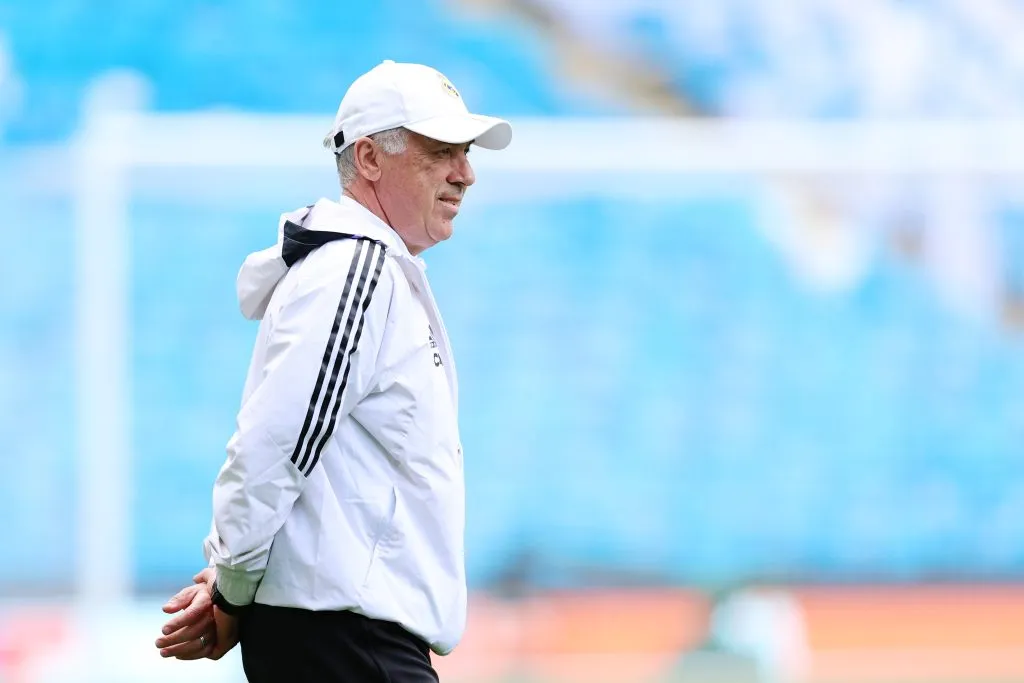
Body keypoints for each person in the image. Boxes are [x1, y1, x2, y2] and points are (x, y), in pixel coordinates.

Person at [153, 59, 512, 682]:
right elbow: (276, 445)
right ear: (369, 158)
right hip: (346, 645)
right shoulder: (357, 272)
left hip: (343, 642)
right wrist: (233, 585)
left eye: (467, 151)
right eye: (442, 150)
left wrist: (232, 578)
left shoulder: (360, 269)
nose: (467, 173)